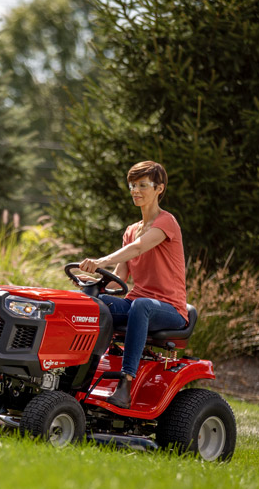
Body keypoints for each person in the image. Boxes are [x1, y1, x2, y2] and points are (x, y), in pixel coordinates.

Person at [78, 160, 188, 409]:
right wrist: (94, 285)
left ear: (159, 188)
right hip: (137, 303)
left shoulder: (166, 222)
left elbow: (138, 248)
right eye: (132, 186)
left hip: (170, 309)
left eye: (142, 185)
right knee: (92, 304)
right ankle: (80, 372)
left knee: (141, 306)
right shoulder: (130, 231)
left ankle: (125, 384)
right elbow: (120, 279)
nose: (135, 191)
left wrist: (100, 261)